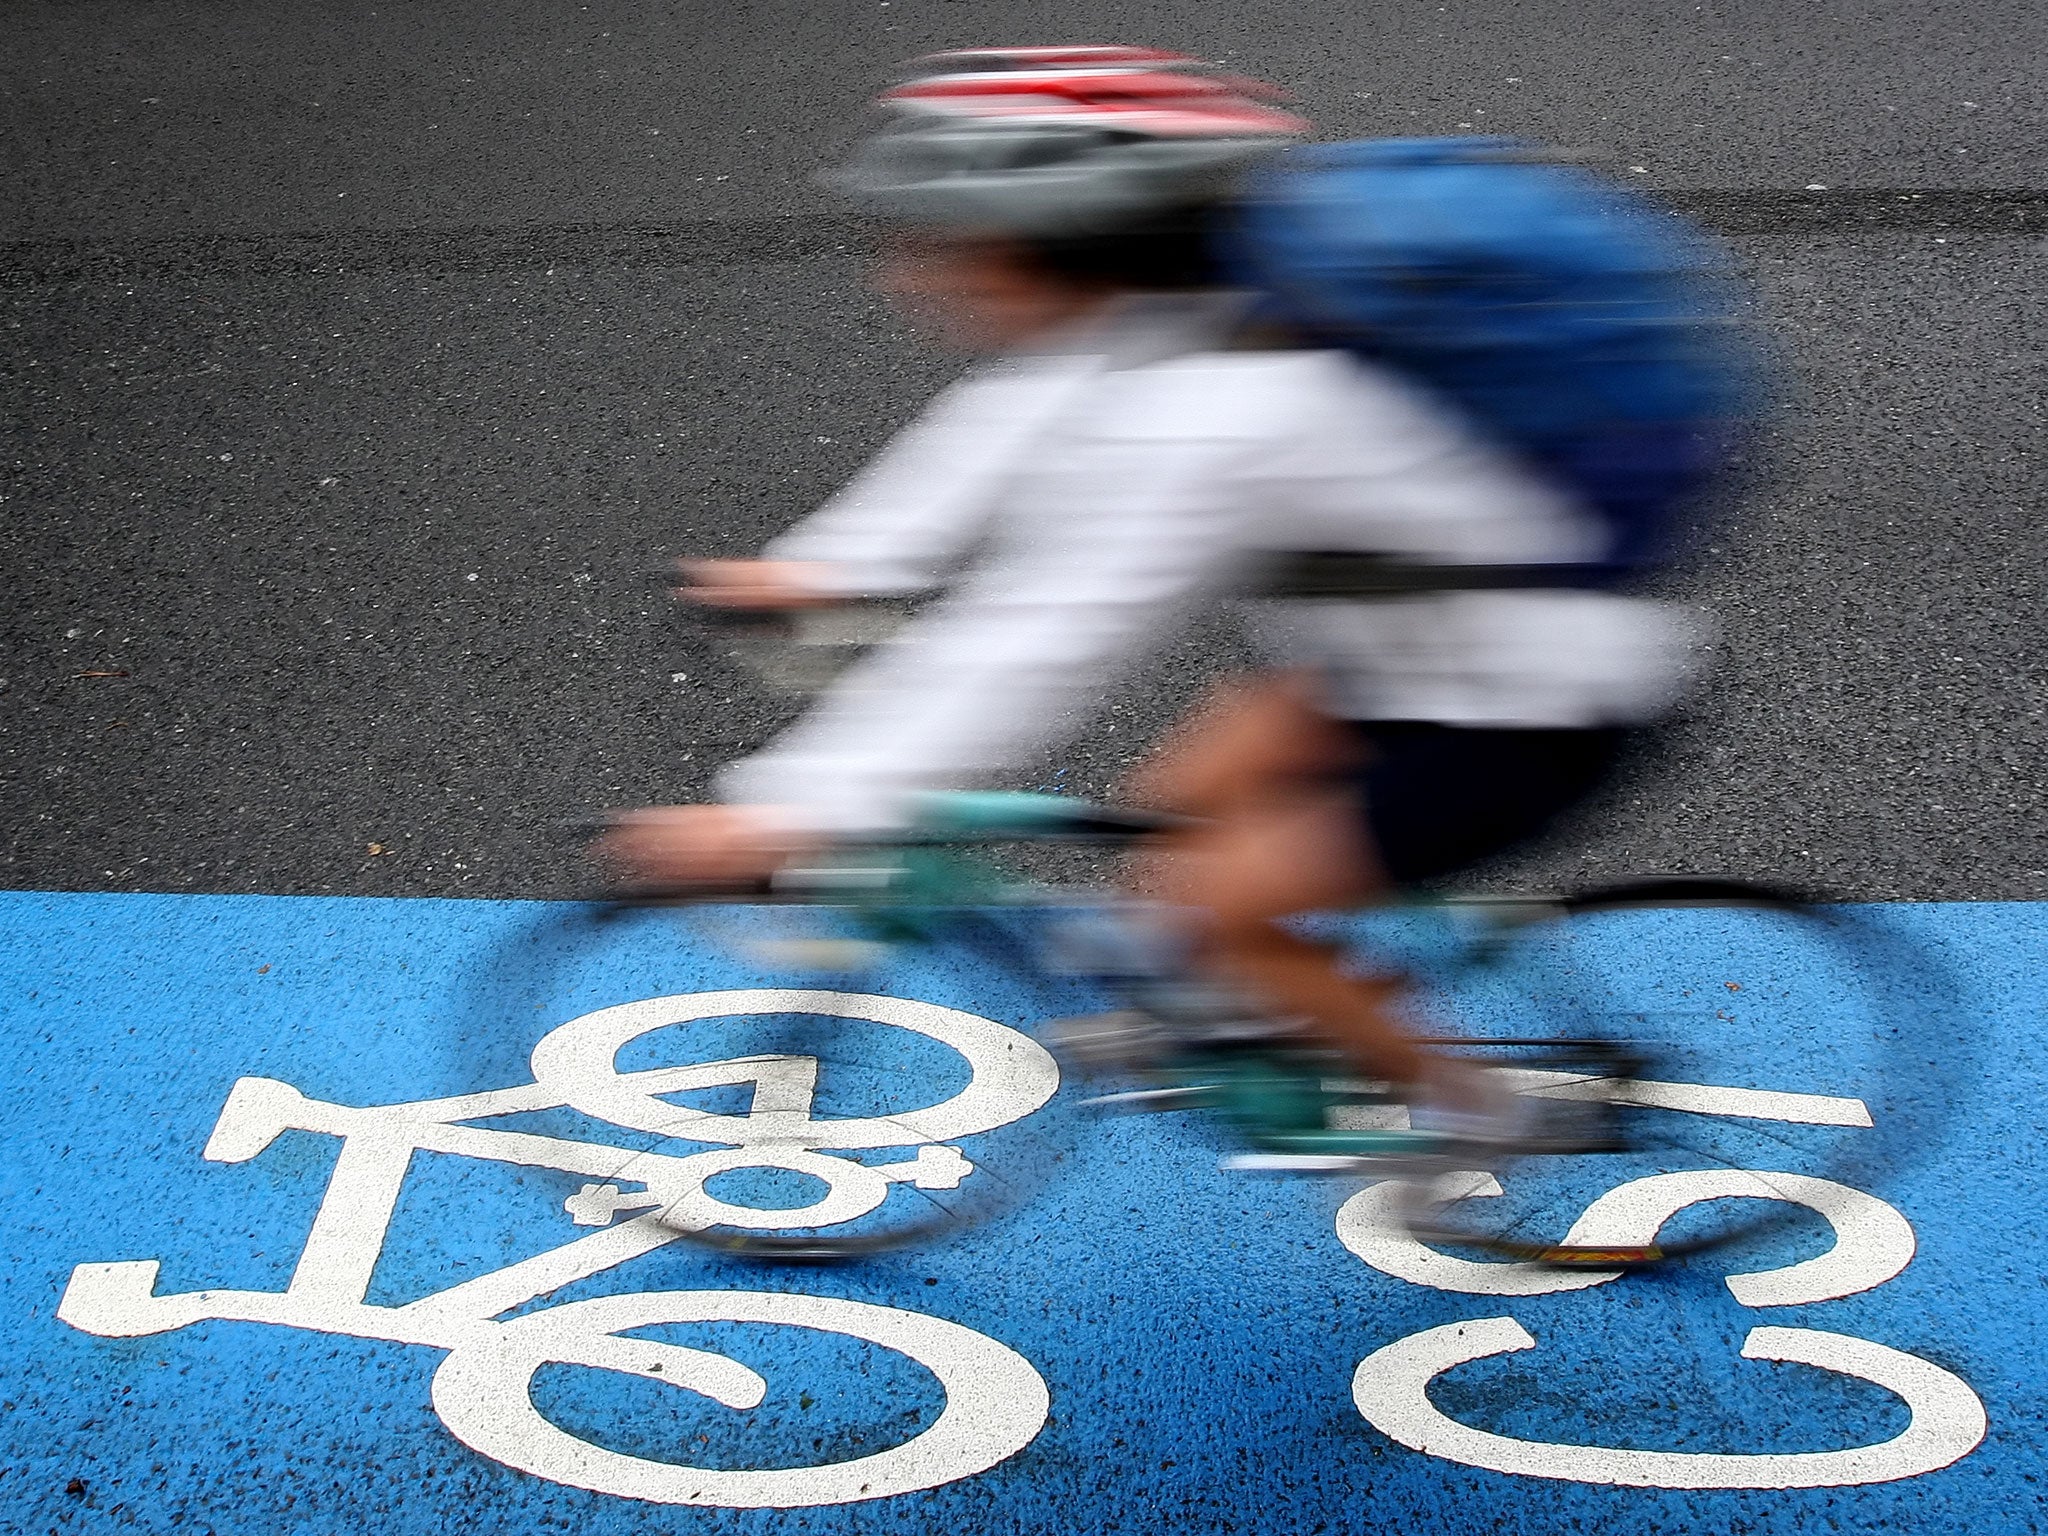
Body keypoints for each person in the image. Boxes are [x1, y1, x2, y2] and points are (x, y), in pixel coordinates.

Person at [602, 47, 1698, 1136]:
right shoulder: (1187, 308)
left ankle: (1476, 1118)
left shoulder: (1227, 413)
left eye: (947, 247)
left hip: (1530, 713)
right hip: (1397, 656)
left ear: (1050, 248)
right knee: (1163, 818)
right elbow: (1001, 427)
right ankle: (1275, 1010)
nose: (912, 274)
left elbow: (1040, 638)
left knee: (1202, 907)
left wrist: (787, 809)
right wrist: (829, 567)